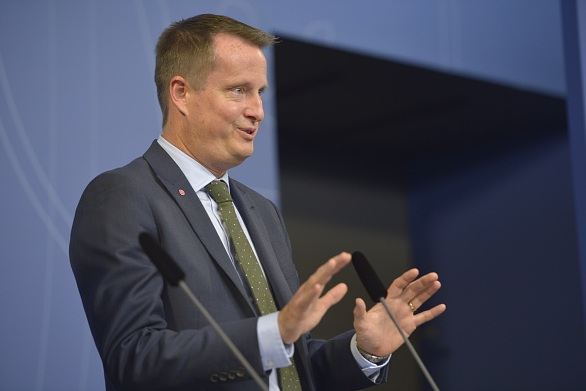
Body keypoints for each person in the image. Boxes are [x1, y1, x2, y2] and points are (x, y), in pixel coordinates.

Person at [69, 14, 445, 391]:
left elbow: (291, 368)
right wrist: (271, 333)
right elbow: (133, 358)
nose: (258, 111)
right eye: (238, 90)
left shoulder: (261, 212)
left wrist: (364, 350)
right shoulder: (123, 196)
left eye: (260, 92)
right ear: (181, 93)